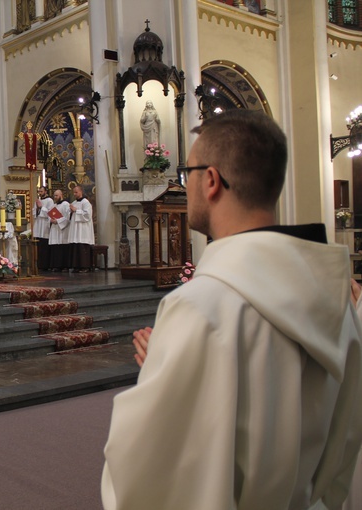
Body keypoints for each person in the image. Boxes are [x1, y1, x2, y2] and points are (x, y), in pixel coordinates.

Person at [101, 110, 362, 510]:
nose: (184, 184)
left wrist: (161, 370)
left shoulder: (199, 307)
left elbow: (150, 472)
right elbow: (345, 442)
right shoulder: (338, 300)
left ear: (211, 180)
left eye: (187, 172)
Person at [68, 185, 94, 272]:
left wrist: (76, 210)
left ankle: (84, 267)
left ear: (81, 192)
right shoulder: (74, 202)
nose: (74, 194)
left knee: (82, 248)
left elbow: (87, 215)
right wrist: (71, 212)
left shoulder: (85, 202)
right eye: (74, 192)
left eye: (76, 192)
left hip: (83, 230)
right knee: (76, 247)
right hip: (75, 230)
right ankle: (76, 266)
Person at [33, 187, 55, 271]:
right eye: (39, 191)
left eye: (41, 191)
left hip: (45, 225)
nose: (40, 193)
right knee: (38, 246)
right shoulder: (38, 200)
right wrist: (37, 208)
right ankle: (39, 264)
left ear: (45, 191)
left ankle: (45, 265)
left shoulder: (50, 201)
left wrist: (41, 207)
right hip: (38, 225)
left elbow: (52, 213)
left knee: (44, 246)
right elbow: (34, 212)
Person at [48, 189, 70, 271]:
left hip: (62, 229)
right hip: (54, 228)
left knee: (62, 248)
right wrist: (50, 219)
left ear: (61, 195)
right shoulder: (53, 206)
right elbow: (49, 215)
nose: (55, 197)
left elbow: (68, 218)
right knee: (55, 248)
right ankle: (56, 265)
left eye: (57, 195)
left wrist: (57, 221)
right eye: (54, 195)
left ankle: (65, 266)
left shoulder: (66, 204)